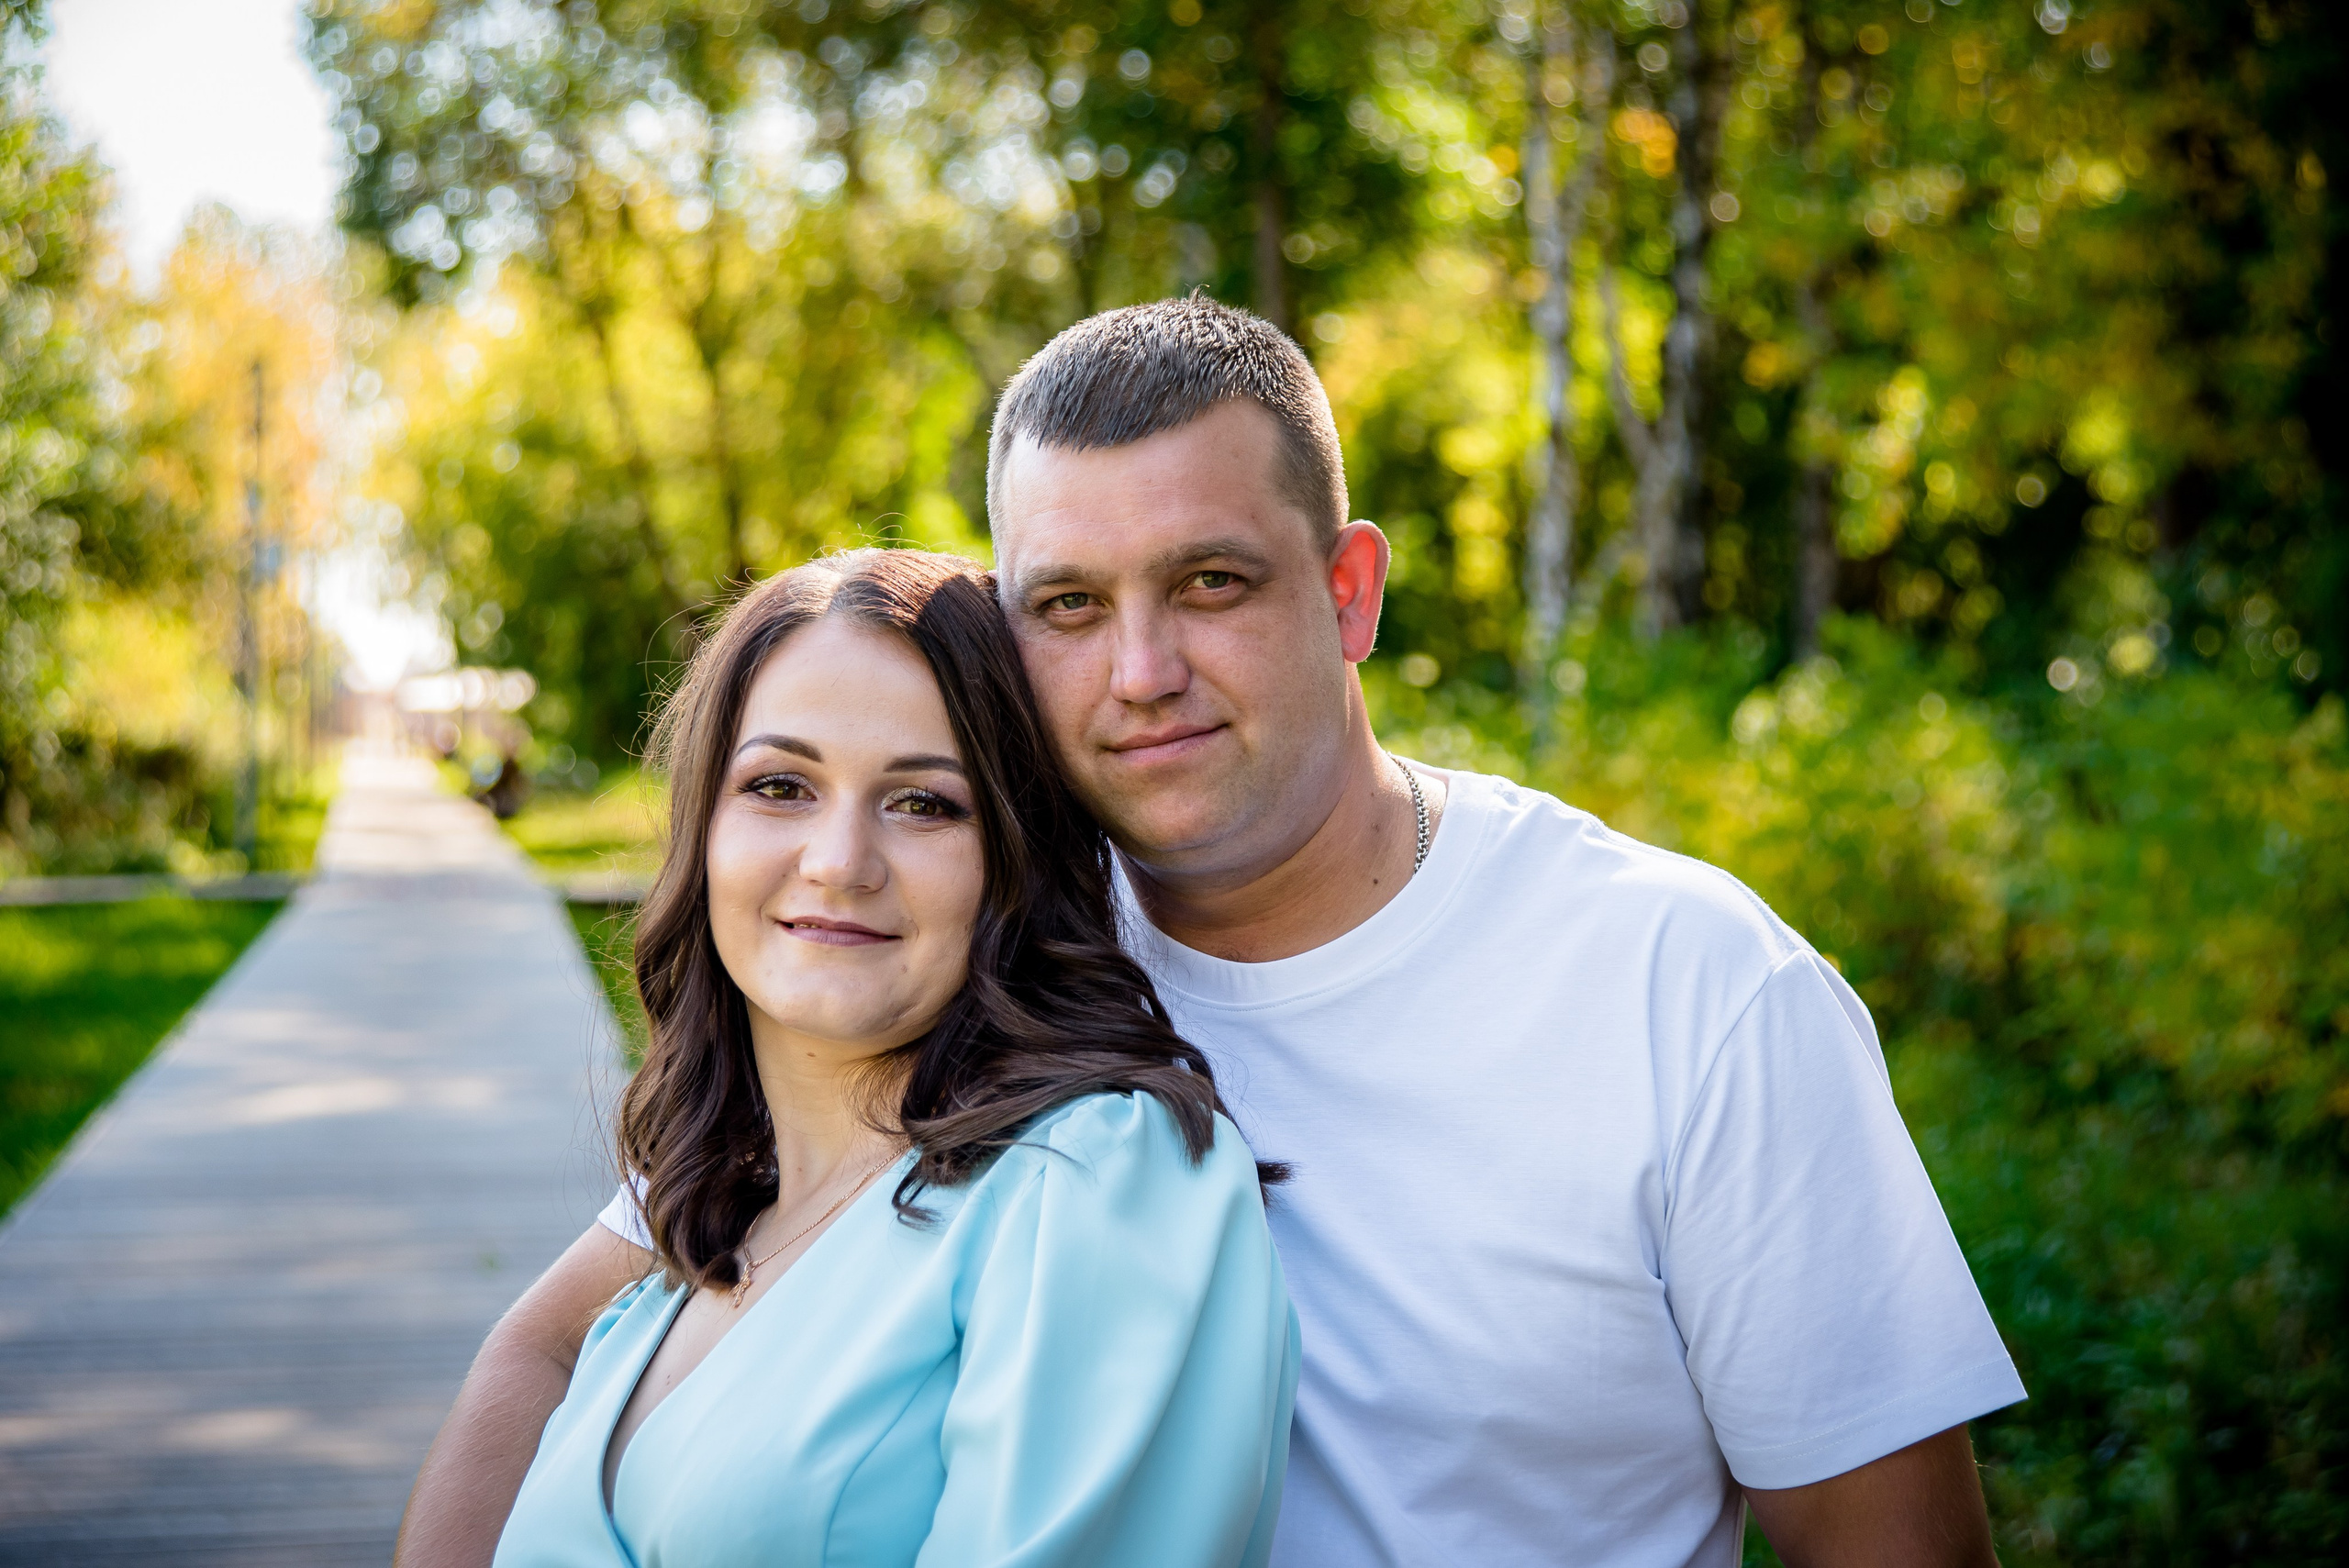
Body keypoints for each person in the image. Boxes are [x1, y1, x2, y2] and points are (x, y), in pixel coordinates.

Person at [401, 298, 2024, 1568]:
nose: (1141, 669)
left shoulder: (1687, 985)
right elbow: (561, 1336)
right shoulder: (965, 939)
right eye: (1070, 604)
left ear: (1351, 593)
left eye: (1213, 581)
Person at [476, 549, 1297, 1566]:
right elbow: (524, 1351)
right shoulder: (702, 1224)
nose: (838, 861)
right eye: (781, 784)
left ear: (1014, 858)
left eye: (923, 803)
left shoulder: (1101, 1174)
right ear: (704, 830)